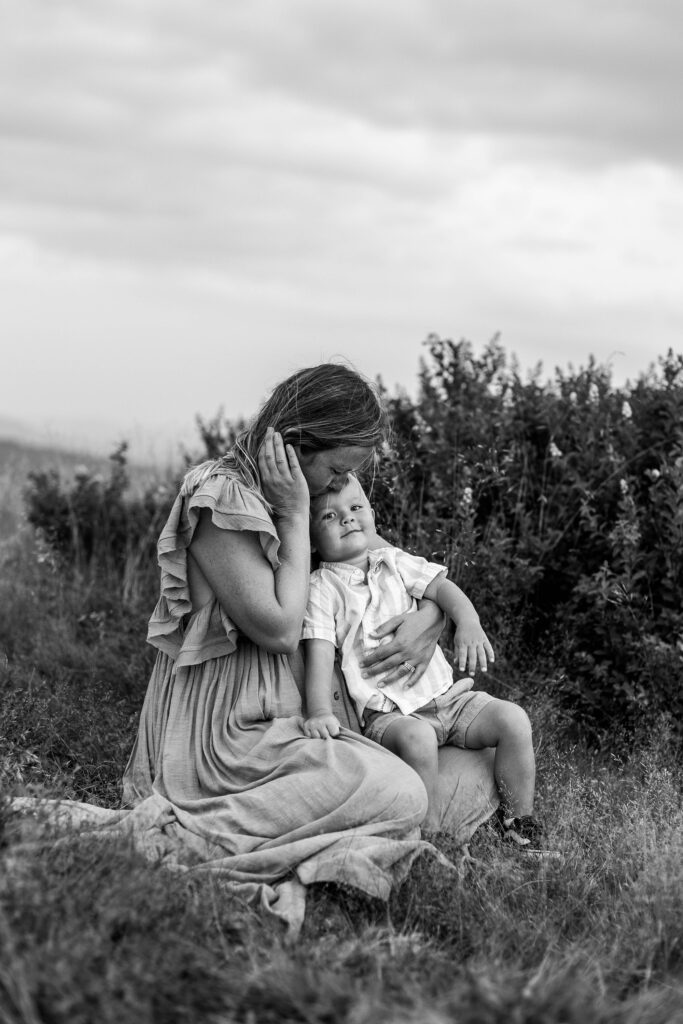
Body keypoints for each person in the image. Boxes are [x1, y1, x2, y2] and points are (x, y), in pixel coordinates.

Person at [119, 363, 458, 931]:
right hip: (234, 729)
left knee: (460, 774)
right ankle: (209, 823)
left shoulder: (296, 489)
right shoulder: (223, 496)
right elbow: (278, 628)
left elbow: (382, 561)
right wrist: (297, 514)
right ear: (300, 441)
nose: (339, 486)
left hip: (309, 706)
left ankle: (334, 809)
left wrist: (434, 615)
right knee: (403, 794)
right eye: (337, 470)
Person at [302, 476, 545, 851]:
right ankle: (429, 837)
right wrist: (319, 710)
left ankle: (518, 824)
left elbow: (442, 589)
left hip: (447, 699)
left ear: (373, 516)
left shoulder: (396, 562)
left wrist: (469, 621)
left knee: (513, 719)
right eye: (330, 516)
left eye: (355, 509)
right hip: (390, 716)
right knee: (418, 740)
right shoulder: (322, 587)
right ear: (314, 542)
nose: (347, 519)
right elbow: (318, 649)